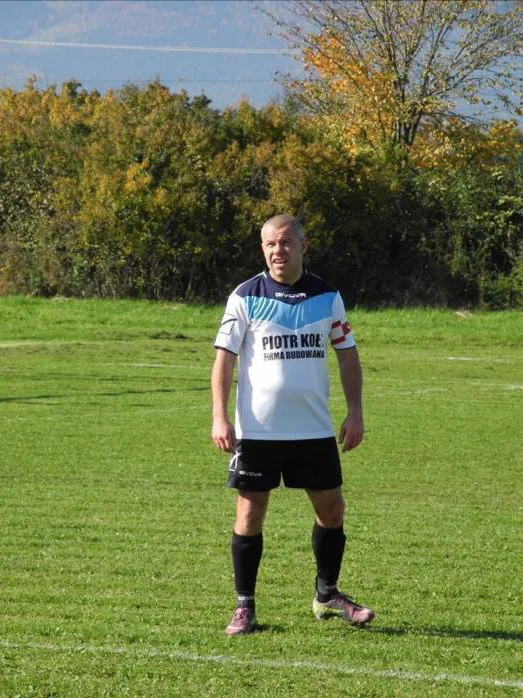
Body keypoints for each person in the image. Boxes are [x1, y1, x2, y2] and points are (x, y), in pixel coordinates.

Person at [211, 214, 375, 636]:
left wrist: (355, 411)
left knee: (332, 510)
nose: (277, 251)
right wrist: (220, 416)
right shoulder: (245, 296)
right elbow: (224, 360)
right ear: (262, 249)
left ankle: (328, 594)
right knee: (250, 512)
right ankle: (244, 607)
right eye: (270, 244)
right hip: (259, 430)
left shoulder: (328, 296)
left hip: (313, 429)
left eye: (285, 242)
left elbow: (348, 355)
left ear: (303, 245)